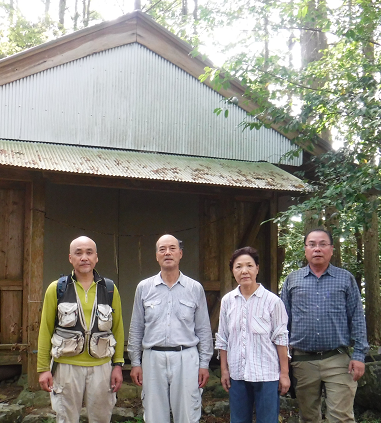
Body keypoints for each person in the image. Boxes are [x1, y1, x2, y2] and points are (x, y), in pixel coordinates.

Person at [281, 228, 369, 423]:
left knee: (341, 417)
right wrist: (283, 361)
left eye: (323, 244)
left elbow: (357, 317)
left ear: (331, 249)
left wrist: (359, 355)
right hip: (302, 361)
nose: (317, 249)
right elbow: (281, 323)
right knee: (309, 417)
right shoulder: (292, 280)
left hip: (338, 359)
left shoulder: (345, 278)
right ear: (305, 250)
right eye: (312, 244)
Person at [37, 236, 125, 423]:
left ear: (96, 257)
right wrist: (43, 368)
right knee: (66, 419)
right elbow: (45, 329)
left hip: (101, 367)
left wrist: (118, 365)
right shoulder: (57, 288)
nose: (84, 257)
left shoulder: (109, 289)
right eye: (78, 253)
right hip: (66, 367)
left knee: (101, 418)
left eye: (89, 252)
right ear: (71, 258)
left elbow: (117, 329)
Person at [127, 234, 213, 423]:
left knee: (188, 415)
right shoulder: (144, 288)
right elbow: (136, 327)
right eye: (162, 249)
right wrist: (135, 362)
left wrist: (204, 364)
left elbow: (204, 330)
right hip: (152, 358)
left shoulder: (194, 288)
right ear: (156, 255)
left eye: (172, 248)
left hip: (186, 357)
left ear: (180, 254)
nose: (167, 253)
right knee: (154, 416)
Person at [215, 246, 290, 423]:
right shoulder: (227, 301)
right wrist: (224, 370)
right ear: (233, 271)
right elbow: (223, 337)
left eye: (249, 265)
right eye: (238, 266)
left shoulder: (273, 301)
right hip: (237, 375)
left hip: (267, 375)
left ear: (257, 268)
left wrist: (284, 374)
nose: (244, 271)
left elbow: (281, 338)